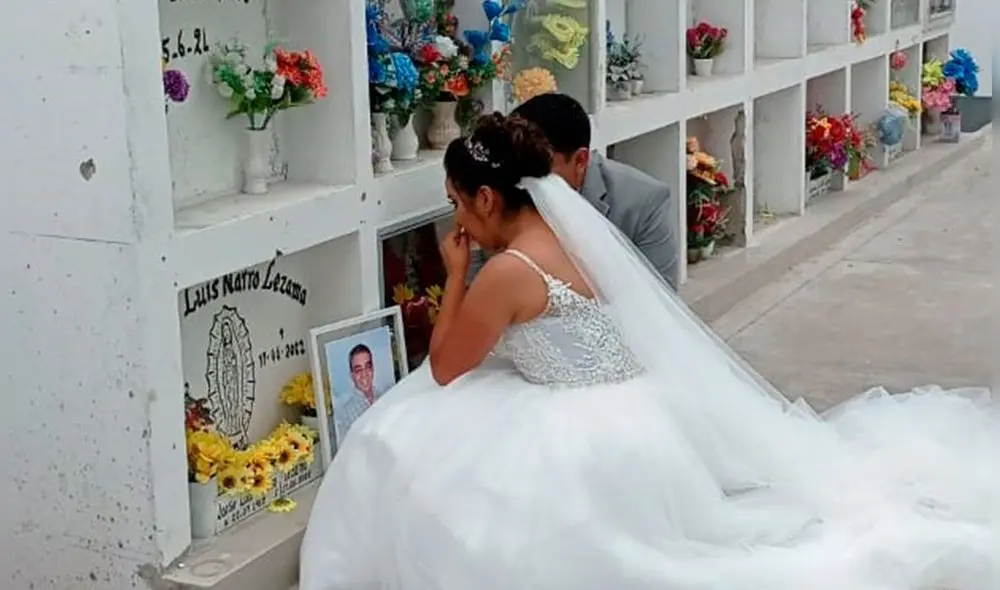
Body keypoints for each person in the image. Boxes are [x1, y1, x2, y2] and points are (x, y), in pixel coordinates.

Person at [300, 113, 994, 590]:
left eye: (457, 201)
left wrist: (455, 275)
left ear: (487, 197)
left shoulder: (508, 272)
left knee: (397, 436)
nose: (456, 218)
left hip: (574, 435)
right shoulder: (575, 233)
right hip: (639, 417)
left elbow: (448, 367)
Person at [468, 92, 678, 287]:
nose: (523, 177)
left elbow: (663, 305)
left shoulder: (643, 200)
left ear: (580, 160)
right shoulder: (502, 191)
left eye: (539, 168)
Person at [333, 343, 388, 440]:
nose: (364, 374)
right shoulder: (345, 413)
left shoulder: (386, 397)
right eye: (358, 370)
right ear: (351, 375)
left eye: (368, 367)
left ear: (373, 369)